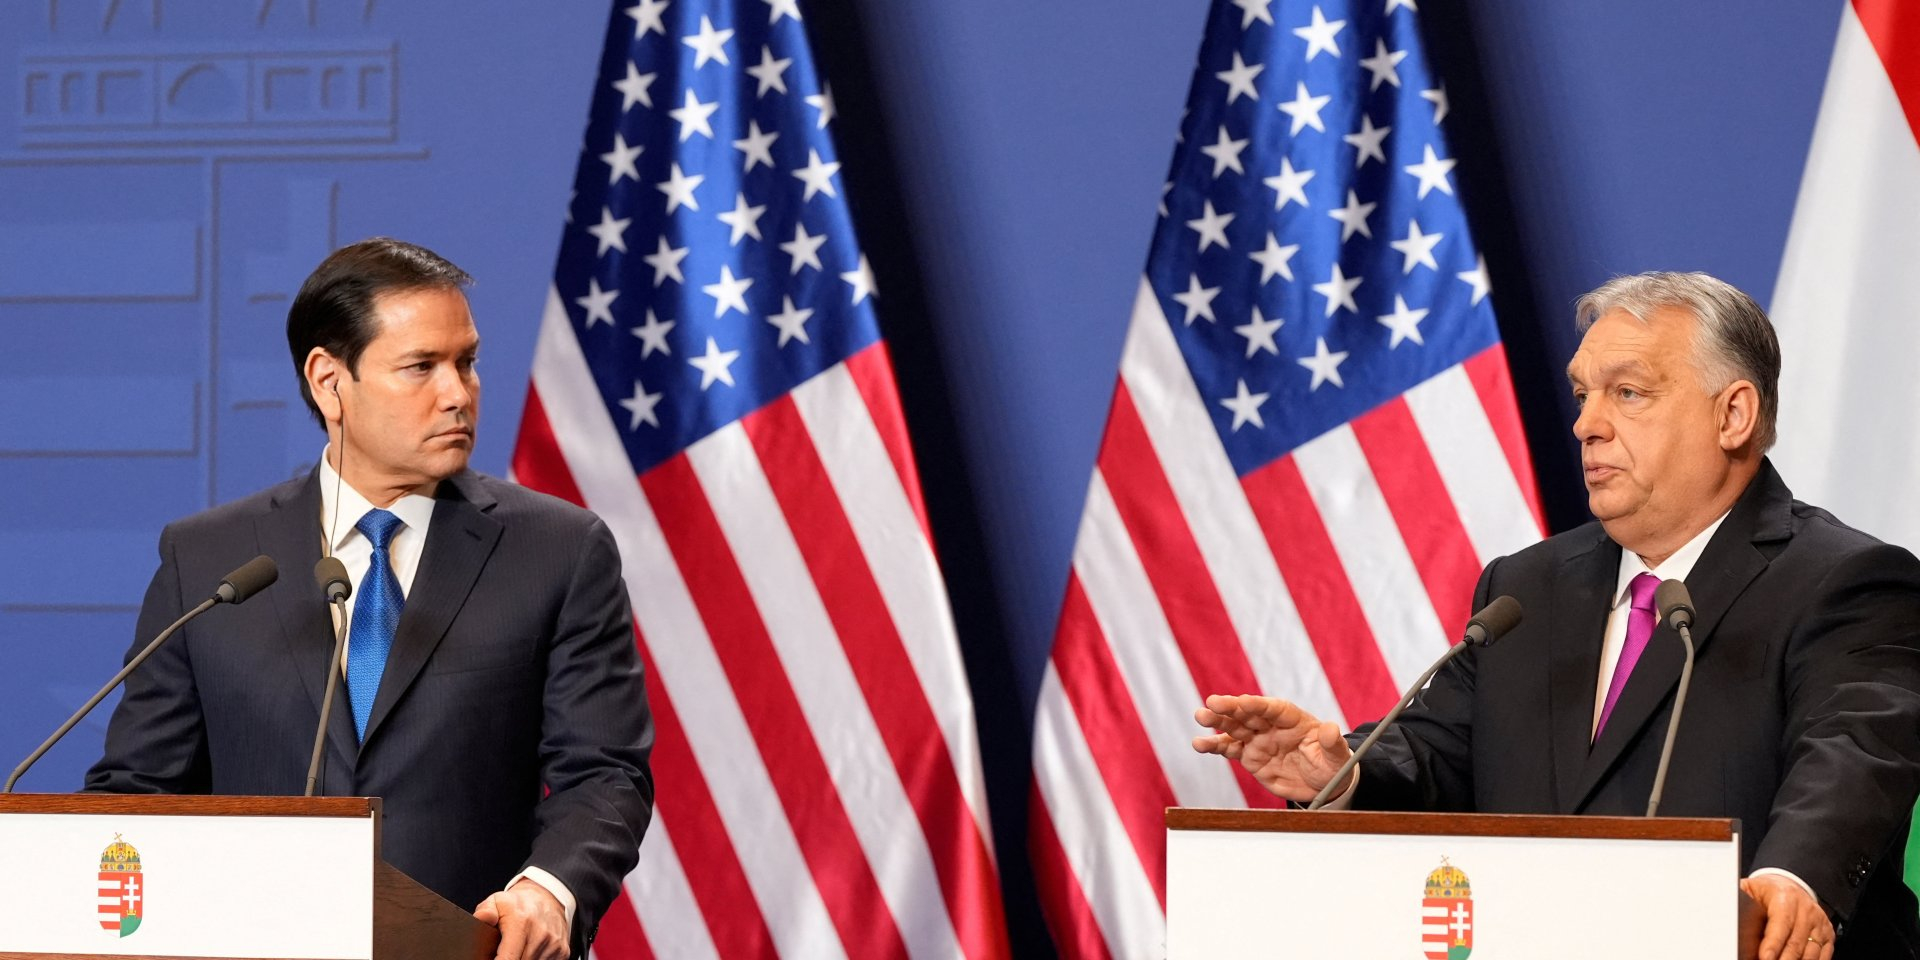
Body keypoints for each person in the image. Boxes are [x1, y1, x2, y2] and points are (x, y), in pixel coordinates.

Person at [1193, 272, 1920, 960]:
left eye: (1627, 392)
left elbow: (1855, 755)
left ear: (1733, 414)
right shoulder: (1526, 589)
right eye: (1582, 395)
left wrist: (1791, 881)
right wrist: (1342, 772)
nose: (1587, 425)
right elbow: (1436, 754)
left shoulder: (1843, 582)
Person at [86, 238, 654, 960]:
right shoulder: (207, 560)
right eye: (421, 367)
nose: (458, 393)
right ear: (329, 382)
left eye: (467, 362)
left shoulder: (558, 551)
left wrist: (547, 888)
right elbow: (139, 791)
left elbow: (605, 771)